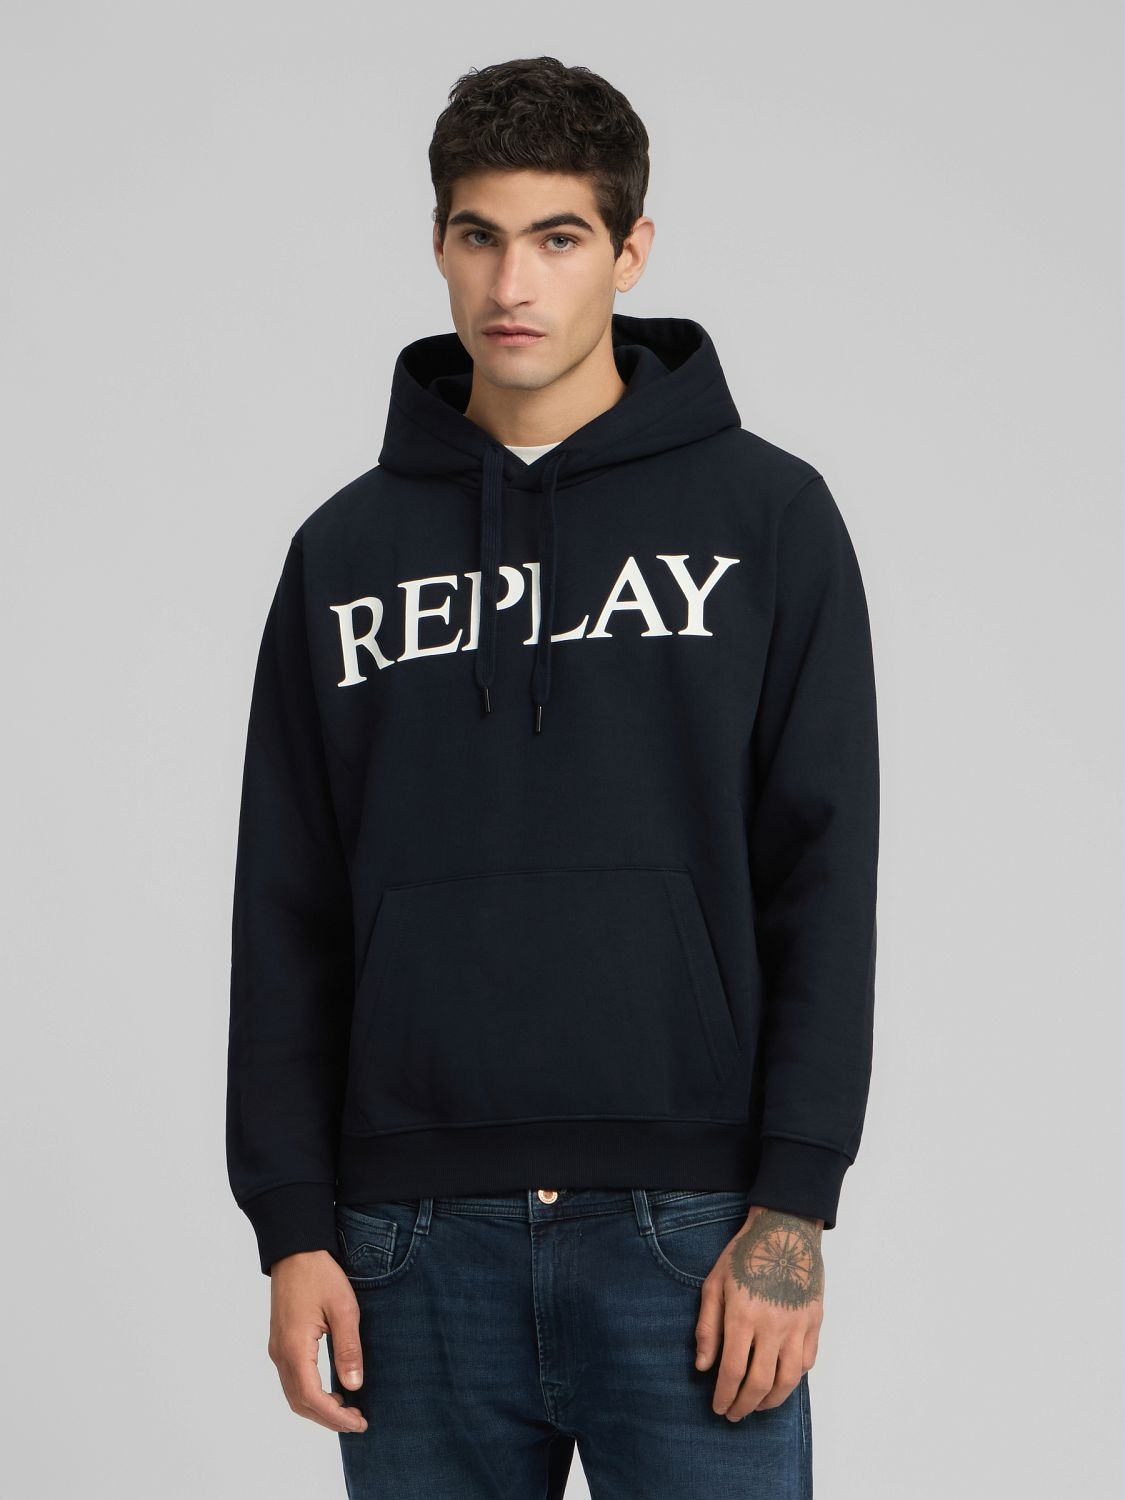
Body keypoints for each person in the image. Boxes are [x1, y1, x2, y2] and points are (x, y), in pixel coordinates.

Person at [225, 54, 880, 1500]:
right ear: (438, 244)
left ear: (629, 250)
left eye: (557, 237)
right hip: (405, 1245)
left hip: (691, 1232)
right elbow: (285, 904)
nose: (510, 283)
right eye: (479, 235)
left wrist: (792, 1204)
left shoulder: (768, 517)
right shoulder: (343, 552)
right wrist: (291, 1225)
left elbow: (823, 874)